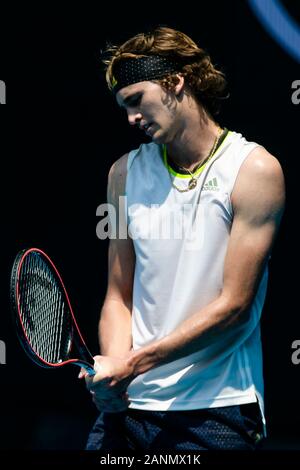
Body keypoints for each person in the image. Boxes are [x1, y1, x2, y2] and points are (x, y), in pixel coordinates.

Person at [82, 26, 285, 451]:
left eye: (136, 100)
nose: (131, 118)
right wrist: (114, 376)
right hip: (129, 410)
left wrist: (133, 363)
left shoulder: (255, 171)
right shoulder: (122, 175)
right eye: (123, 107)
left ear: (175, 82)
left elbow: (234, 307)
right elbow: (119, 295)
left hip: (215, 412)